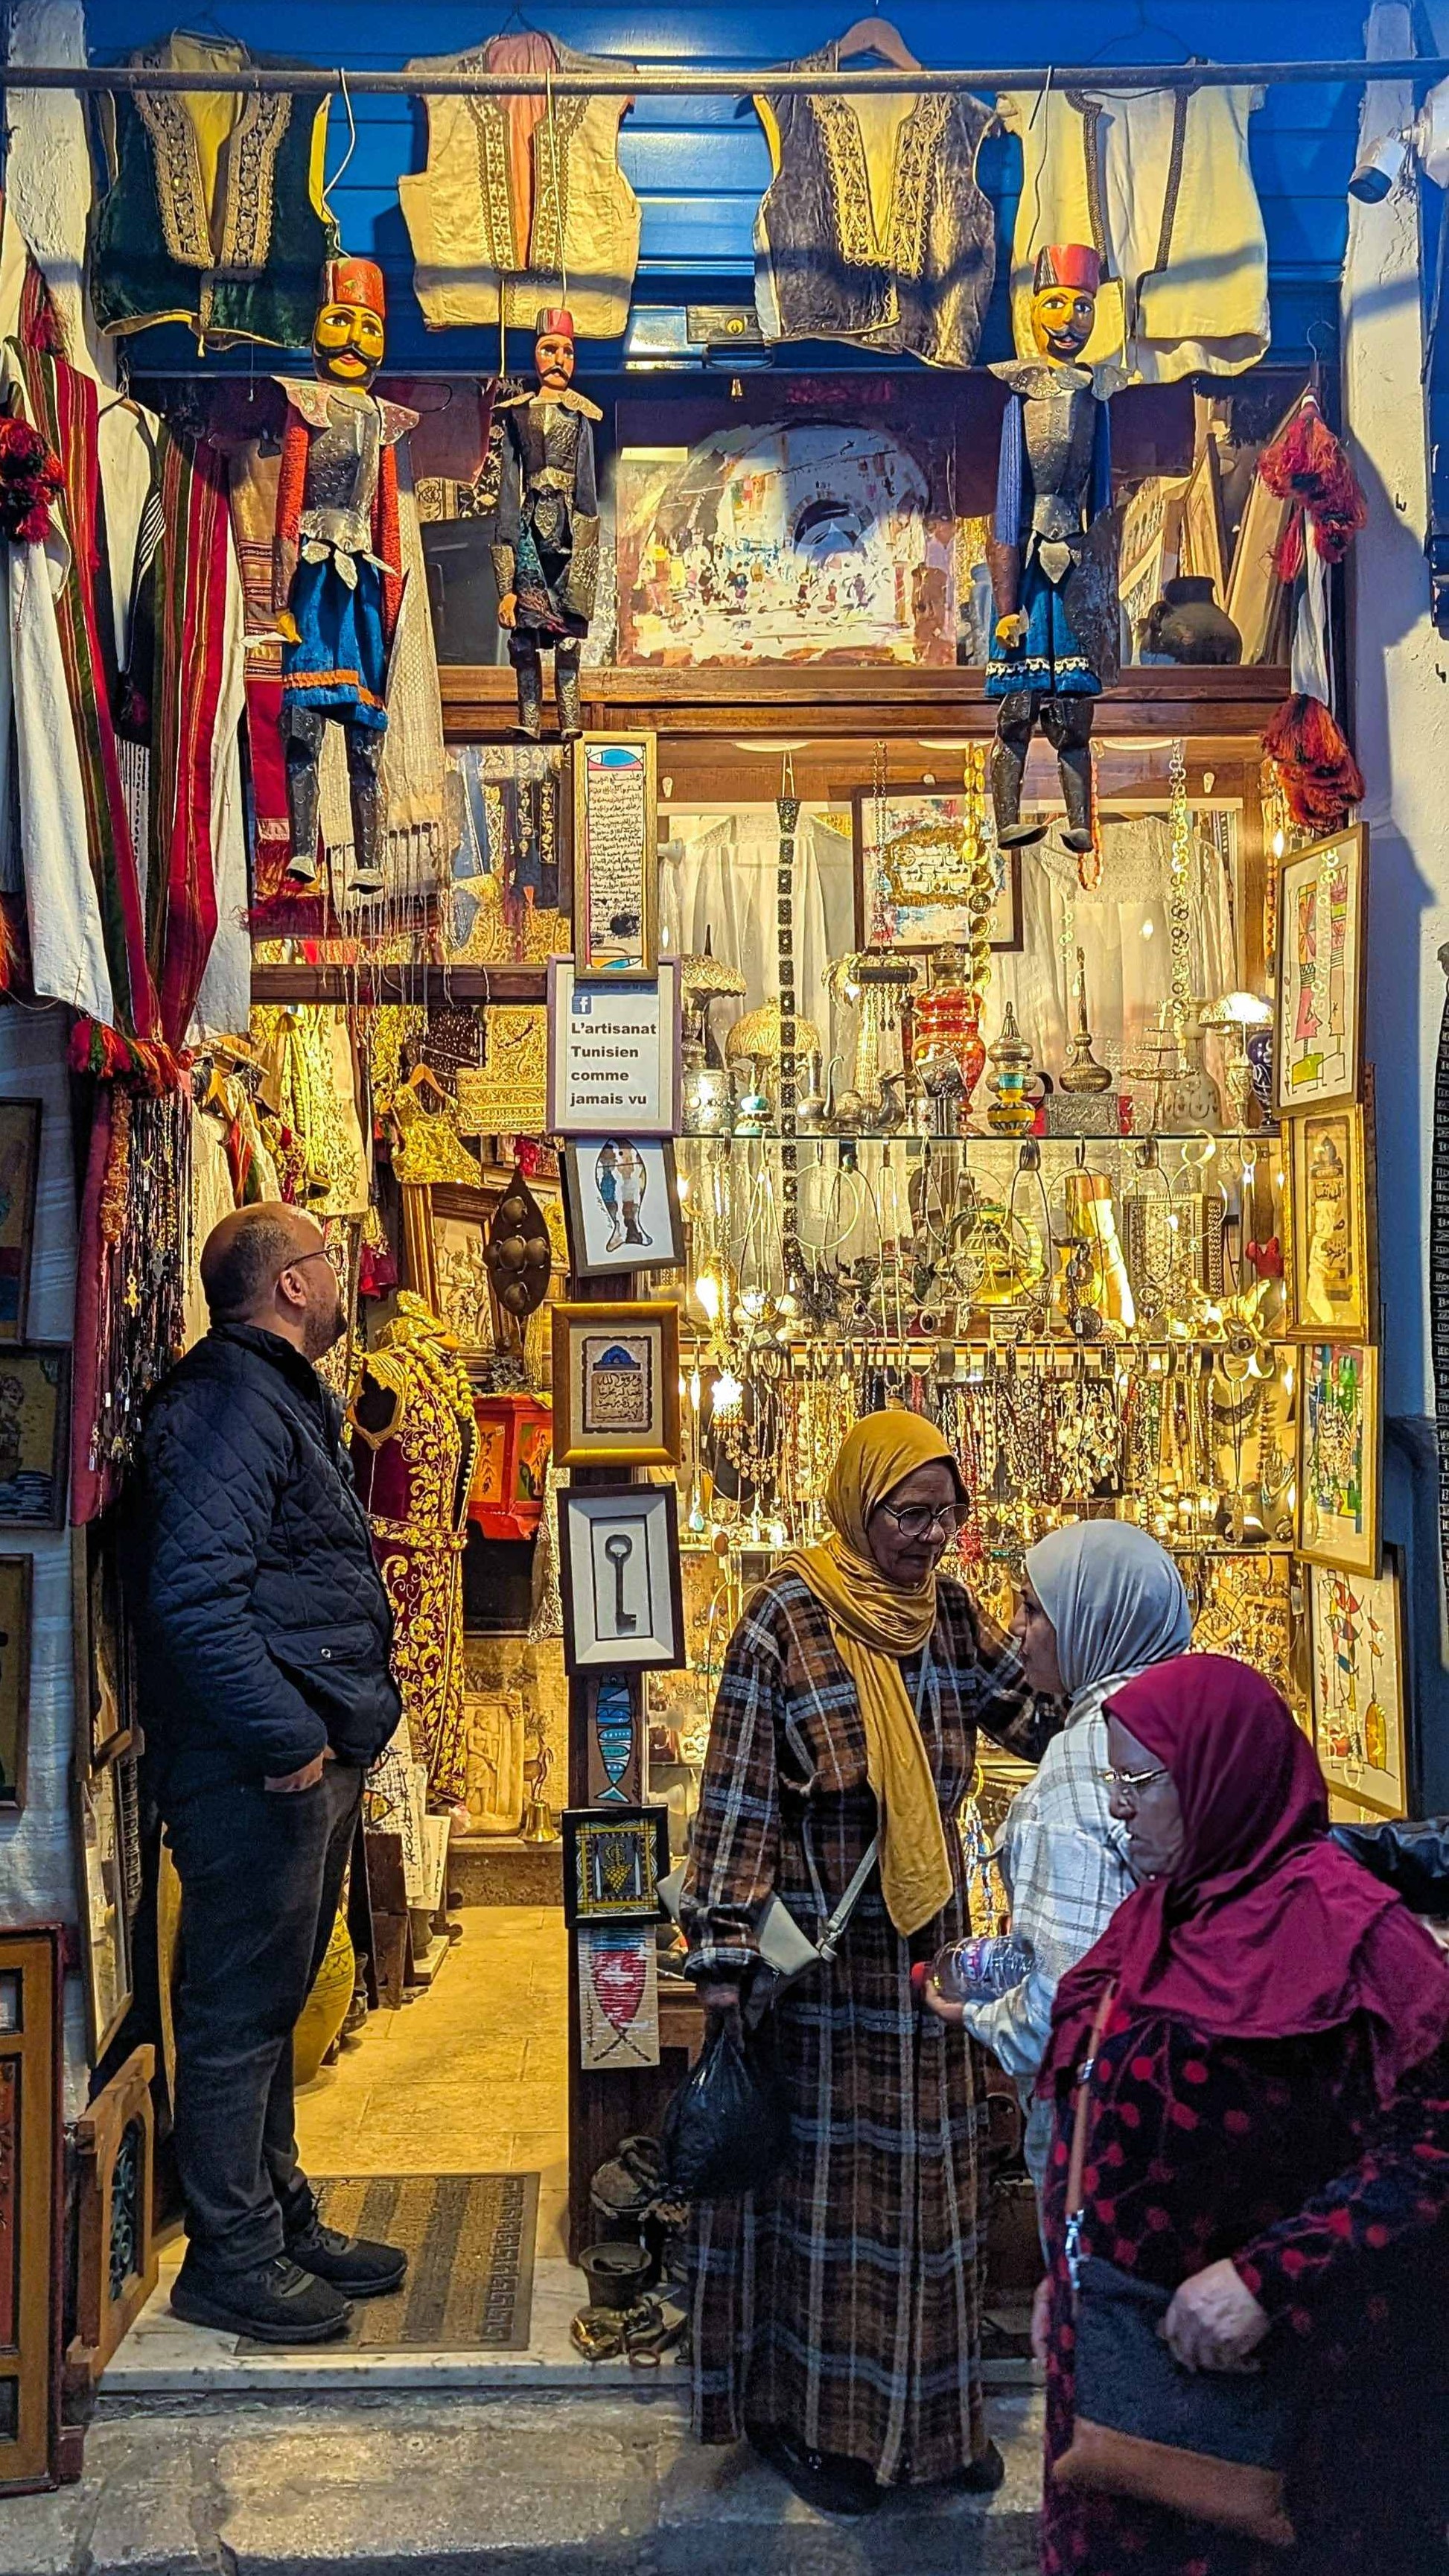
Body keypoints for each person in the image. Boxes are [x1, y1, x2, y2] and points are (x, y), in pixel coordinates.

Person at [681, 1412, 1056, 2517]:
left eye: (946, 1514)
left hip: (925, 1955)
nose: (931, 1535)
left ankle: (931, 2427)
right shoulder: (784, 1619)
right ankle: (819, 2429)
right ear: (859, 1503)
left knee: (932, 2199)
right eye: (909, 1513)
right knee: (831, 2212)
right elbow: (739, 1795)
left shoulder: (941, 1613)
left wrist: (1131, 1706)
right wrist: (718, 1962)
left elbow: (1023, 1710)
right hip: (822, 1977)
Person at [1034, 1655, 1449, 2576]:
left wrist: (1269, 2280)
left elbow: (1431, 2144)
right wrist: (1065, 2272)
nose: (1116, 1808)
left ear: (1220, 1779)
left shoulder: (1353, 1936)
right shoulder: (1155, 1918)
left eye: (1139, 1783)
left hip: (1284, 2415)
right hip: (1125, 2393)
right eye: (1113, 1780)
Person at [125, 1203, 407, 2345]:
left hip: (297, 1753)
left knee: (273, 1997)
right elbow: (194, 1597)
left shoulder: (266, 1394)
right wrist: (285, 1737)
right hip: (256, 1769)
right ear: (290, 1284)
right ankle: (230, 2254)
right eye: (328, 1263)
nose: (342, 1280)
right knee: (239, 2009)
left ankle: (277, 2212)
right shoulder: (232, 1402)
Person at [929, 1524, 1190, 2204]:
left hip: (1107, 2128)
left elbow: (1059, 2009)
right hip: (1196, 2088)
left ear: (1093, 1619)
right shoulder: (1200, 1717)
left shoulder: (1082, 1765)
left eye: (1034, 1608)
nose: (1015, 1629)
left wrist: (976, 2014)